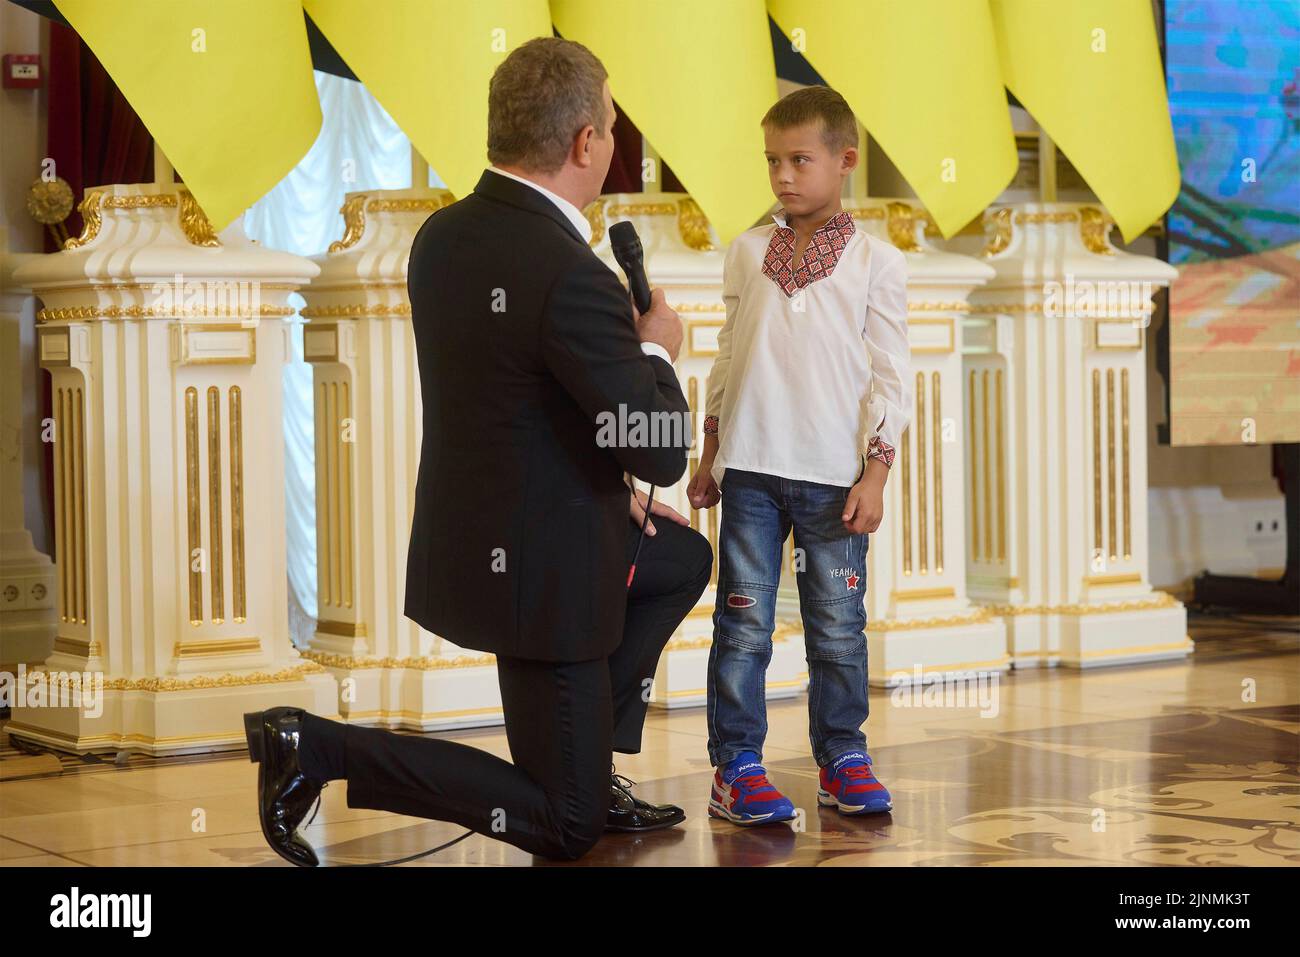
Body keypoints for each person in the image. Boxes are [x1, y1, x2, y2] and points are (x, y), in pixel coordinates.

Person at [244, 36, 712, 866]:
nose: (611, 140)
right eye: (608, 127)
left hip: (482, 543)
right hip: (547, 575)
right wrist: (660, 349)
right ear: (582, 144)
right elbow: (662, 448)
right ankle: (314, 747)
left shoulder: (444, 237)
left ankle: (589, 759)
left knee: (677, 558)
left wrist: (614, 494)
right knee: (566, 828)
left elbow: (518, 401)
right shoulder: (571, 274)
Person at [686, 86, 911, 826]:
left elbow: (891, 375)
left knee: (838, 625)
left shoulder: (878, 263)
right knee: (743, 622)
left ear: (844, 161)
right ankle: (737, 766)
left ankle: (843, 756)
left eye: (800, 160)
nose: (783, 176)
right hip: (749, 469)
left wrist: (876, 472)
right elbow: (727, 356)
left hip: (835, 480)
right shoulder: (748, 252)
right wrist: (709, 448)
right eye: (773, 161)